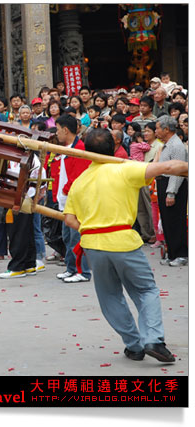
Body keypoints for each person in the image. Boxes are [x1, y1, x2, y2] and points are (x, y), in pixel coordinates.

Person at [63, 127, 187, 363]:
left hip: (93, 244)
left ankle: (134, 345)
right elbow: (170, 167)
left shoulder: (79, 182)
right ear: (114, 147)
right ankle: (152, 339)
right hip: (122, 242)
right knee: (145, 290)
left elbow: (69, 219)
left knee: (110, 297)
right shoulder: (125, 169)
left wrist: (91, 228)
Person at [52, 114, 92, 283]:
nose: (57, 133)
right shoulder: (66, 148)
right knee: (67, 237)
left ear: (66, 130)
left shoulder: (79, 149)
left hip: (75, 200)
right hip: (65, 200)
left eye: (58, 130)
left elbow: (78, 177)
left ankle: (83, 271)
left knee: (76, 237)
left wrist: (66, 191)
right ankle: (71, 268)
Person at [155, 116, 188, 266]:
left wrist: (171, 192)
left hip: (173, 185)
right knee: (168, 221)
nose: (156, 131)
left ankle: (180, 254)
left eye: (157, 128)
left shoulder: (177, 145)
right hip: (163, 183)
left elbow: (177, 171)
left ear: (166, 129)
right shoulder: (168, 144)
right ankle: (172, 253)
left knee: (175, 221)